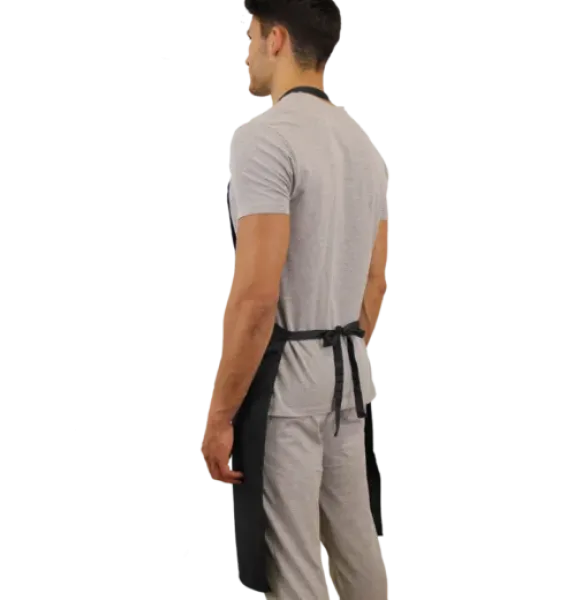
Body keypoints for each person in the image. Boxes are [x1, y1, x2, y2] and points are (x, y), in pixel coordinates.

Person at [198, 1, 391, 598]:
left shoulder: (267, 138)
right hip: (350, 377)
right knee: (358, 554)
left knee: (294, 572)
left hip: (288, 387)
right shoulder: (363, 141)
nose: (246, 53)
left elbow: (257, 294)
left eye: (250, 35)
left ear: (276, 39)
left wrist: (220, 415)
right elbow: (376, 281)